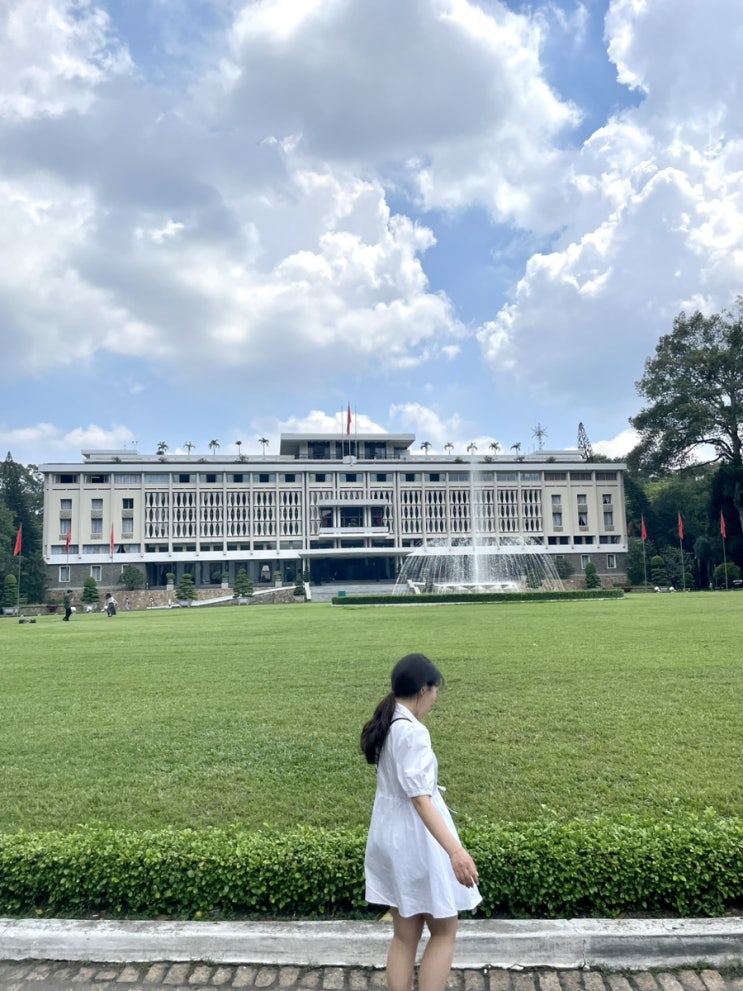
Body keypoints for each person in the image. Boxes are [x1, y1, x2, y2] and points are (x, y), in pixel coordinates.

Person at [361, 654, 481, 991]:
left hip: (390, 836)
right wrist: (456, 851)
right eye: (435, 690)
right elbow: (419, 799)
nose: (435, 698)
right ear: (422, 690)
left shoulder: (388, 722)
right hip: (418, 840)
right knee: (443, 932)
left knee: (404, 935)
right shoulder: (412, 732)